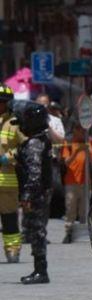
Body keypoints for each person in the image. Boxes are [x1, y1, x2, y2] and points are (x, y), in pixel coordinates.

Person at [16, 102, 52, 284]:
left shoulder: (35, 144)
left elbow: (34, 173)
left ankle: (41, 271)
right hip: (40, 193)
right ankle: (39, 269)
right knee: (34, 232)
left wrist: (27, 197)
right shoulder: (41, 139)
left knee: (37, 233)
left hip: (36, 195)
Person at [60, 123, 92, 244]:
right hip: (71, 182)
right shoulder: (69, 143)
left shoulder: (89, 142)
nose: (82, 132)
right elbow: (67, 162)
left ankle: (83, 233)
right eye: (79, 129)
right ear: (75, 130)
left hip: (85, 183)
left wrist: (88, 151)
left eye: (83, 130)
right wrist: (76, 152)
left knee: (84, 210)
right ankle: (69, 233)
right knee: (70, 209)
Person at [0, 84, 21, 263]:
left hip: (8, 181)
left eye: (2, 102)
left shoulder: (15, 123)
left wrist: (10, 156)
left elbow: (25, 147)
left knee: (9, 219)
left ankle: (13, 249)